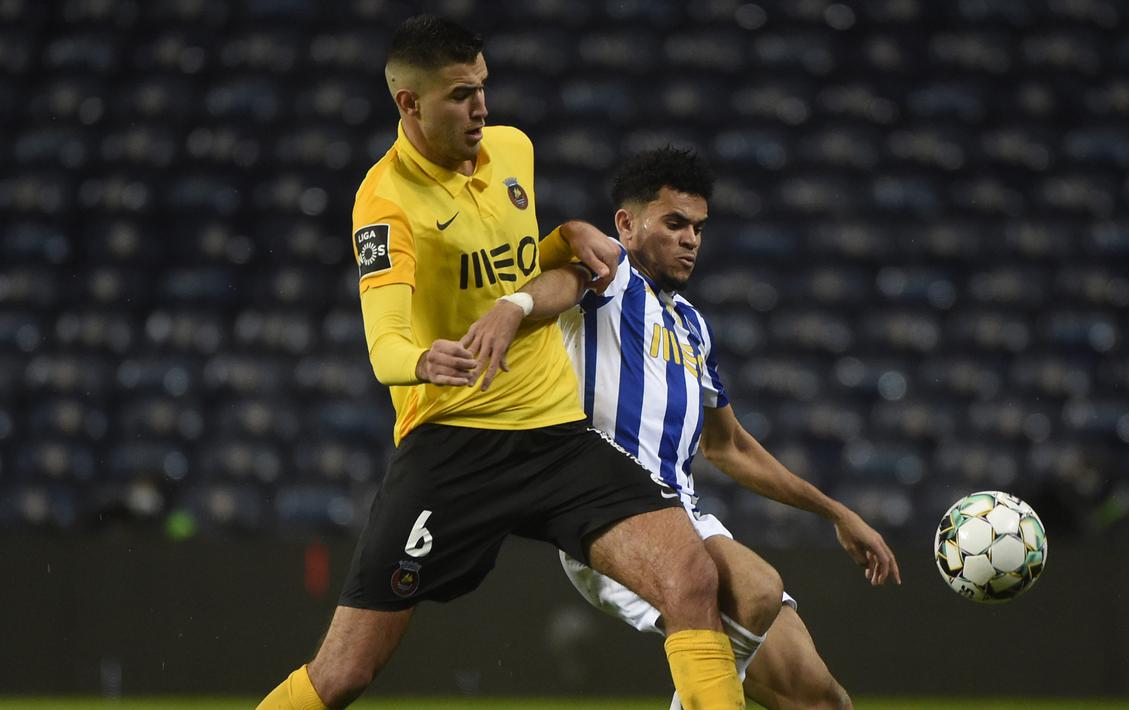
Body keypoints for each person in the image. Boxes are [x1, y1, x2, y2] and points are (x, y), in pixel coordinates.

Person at [258, 17, 745, 710]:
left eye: (483, 87)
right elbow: (384, 345)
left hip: (554, 435)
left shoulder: (513, 150)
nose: (481, 108)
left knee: (690, 577)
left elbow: (508, 262)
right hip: (454, 449)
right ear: (410, 104)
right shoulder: (385, 203)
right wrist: (427, 359)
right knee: (343, 674)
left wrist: (560, 239)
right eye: (461, 95)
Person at [486, 147, 902, 709]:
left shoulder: (692, 327)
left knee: (823, 701)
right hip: (608, 516)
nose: (690, 239)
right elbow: (557, 281)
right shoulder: (607, 278)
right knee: (757, 586)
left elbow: (728, 446)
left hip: (684, 516)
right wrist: (516, 303)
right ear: (627, 224)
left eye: (698, 228)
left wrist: (838, 512)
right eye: (675, 223)